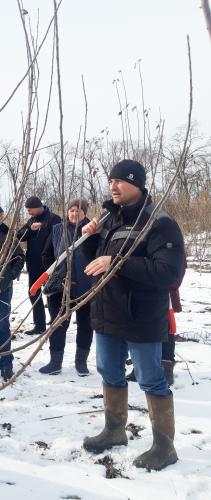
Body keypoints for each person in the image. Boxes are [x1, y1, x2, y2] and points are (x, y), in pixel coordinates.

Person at [81, 159, 185, 471]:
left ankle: (164, 447)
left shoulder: (159, 222)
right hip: (107, 314)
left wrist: (117, 261)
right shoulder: (110, 219)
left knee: (152, 380)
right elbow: (99, 263)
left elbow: (168, 272)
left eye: (120, 181)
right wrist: (89, 239)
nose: (112, 186)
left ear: (137, 184)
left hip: (141, 317)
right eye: (110, 181)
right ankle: (115, 431)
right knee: (109, 374)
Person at [40, 198, 93, 376]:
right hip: (60, 289)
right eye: (71, 210)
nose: (74, 213)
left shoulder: (93, 231)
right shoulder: (57, 230)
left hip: (87, 288)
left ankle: (81, 363)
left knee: (86, 325)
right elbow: (46, 255)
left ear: (85, 213)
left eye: (79, 210)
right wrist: (56, 275)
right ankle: (55, 363)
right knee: (58, 325)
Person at [126, 254, 187, 385]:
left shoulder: (169, 236)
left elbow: (179, 268)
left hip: (163, 292)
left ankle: (166, 369)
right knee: (140, 330)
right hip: (142, 293)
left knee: (165, 329)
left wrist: (168, 285)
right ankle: (139, 368)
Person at [17, 196, 61, 335]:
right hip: (33, 265)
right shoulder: (31, 221)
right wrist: (30, 228)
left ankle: (56, 323)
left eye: (30, 209)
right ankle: (39, 325)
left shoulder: (54, 218)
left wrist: (43, 226)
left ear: (37, 206)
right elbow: (20, 236)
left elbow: (60, 235)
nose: (28, 212)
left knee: (52, 295)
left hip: (50, 265)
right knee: (33, 293)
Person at [0, 207, 25, 381]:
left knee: (2, 325)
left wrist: (8, 276)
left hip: (3, 288)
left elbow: (20, 258)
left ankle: (6, 363)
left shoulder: (8, 235)